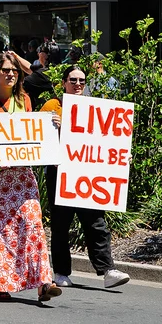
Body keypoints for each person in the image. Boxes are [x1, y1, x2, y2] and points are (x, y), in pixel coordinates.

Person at [0, 53, 61, 302]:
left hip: (21, 176)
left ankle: (44, 282)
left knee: (32, 224)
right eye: (6, 70)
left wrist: (51, 125)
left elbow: (32, 133)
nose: (11, 74)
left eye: (14, 71)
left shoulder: (25, 100)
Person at [41, 66, 131, 289]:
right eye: (73, 80)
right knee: (61, 224)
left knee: (95, 222)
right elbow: (40, 135)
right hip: (60, 173)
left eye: (82, 80)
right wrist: (58, 129)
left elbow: (107, 141)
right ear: (63, 82)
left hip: (87, 174)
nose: (78, 84)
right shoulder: (53, 106)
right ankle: (61, 272)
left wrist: (121, 155)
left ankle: (108, 269)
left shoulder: (94, 108)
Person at [23, 42, 60, 109]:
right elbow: (29, 67)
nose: (38, 53)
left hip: (43, 112)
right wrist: (14, 56)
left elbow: (21, 84)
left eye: (40, 51)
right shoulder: (56, 70)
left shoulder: (43, 73)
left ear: (46, 55)